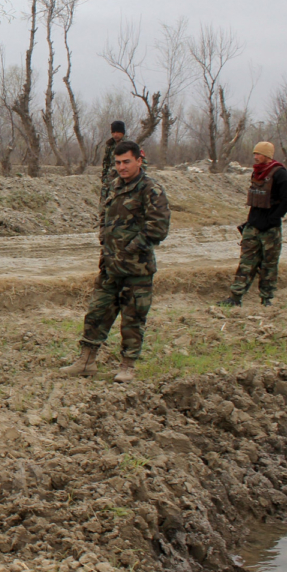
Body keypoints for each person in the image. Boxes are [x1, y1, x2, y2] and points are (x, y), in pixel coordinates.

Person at [61, 140, 170, 383]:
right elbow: (105, 217)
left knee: (132, 319)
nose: (122, 167)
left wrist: (129, 249)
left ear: (139, 161)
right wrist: (105, 239)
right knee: (96, 314)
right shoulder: (114, 186)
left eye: (126, 162)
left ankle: (127, 366)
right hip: (110, 266)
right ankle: (86, 361)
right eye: (118, 162)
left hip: (136, 269)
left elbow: (158, 229)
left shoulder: (151, 189)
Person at [218, 141, 287, 308]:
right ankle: (235, 298)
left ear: (267, 155)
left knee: (269, 265)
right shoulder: (257, 173)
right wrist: (251, 223)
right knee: (246, 262)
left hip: (270, 229)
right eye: (255, 154)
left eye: (258, 154)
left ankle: (267, 300)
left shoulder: (280, 173)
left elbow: (286, 203)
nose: (255, 157)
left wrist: (271, 220)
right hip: (253, 226)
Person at [101, 121, 126, 195]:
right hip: (109, 182)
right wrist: (104, 177)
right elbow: (106, 162)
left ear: (123, 133)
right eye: (113, 132)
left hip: (123, 183)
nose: (115, 134)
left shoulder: (129, 145)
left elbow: (142, 164)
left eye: (118, 132)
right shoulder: (110, 145)